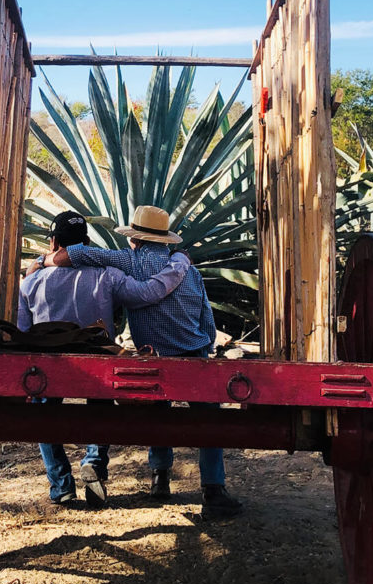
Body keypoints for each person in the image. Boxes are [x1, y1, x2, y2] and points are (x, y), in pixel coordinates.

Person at [43, 204, 244, 518]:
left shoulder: (128, 260)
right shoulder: (187, 269)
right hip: (192, 355)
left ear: (134, 239)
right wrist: (203, 350)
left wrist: (45, 259)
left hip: (154, 357)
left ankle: (160, 478)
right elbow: (206, 317)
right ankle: (214, 490)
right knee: (209, 421)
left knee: (158, 414)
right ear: (165, 240)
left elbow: (79, 254)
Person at [20, 210, 190, 509]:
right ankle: (94, 463)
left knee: (41, 413)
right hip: (96, 361)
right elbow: (145, 295)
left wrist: (37, 264)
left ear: (54, 242)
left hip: (49, 362)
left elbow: (22, 330)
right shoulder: (108, 275)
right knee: (100, 403)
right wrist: (179, 263)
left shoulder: (31, 283)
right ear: (85, 243)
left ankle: (61, 486)